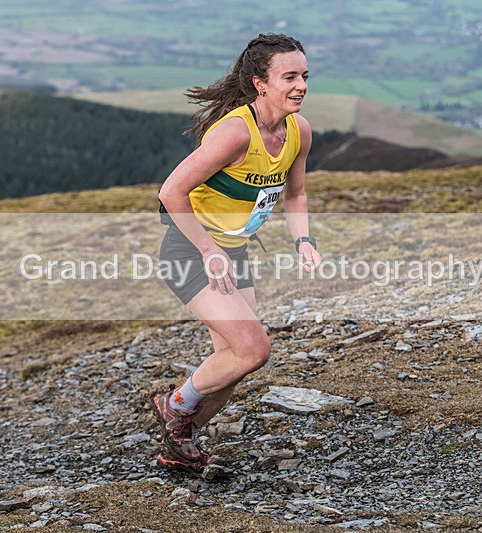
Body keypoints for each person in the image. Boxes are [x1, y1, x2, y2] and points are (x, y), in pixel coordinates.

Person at [153, 33, 322, 475]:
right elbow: (170, 192)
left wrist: (304, 241)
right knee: (254, 348)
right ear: (260, 83)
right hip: (190, 250)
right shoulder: (232, 134)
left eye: (305, 75)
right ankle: (173, 405)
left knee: (232, 364)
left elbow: (296, 193)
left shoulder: (297, 132)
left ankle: (178, 445)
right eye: (289, 77)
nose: (301, 85)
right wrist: (208, 250)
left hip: (232, 251)